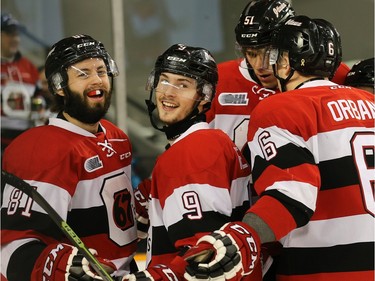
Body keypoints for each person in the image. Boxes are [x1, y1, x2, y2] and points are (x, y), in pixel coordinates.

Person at [183, 15, 374, 281]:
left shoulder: (282, 107)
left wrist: (241, 237)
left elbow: (291, 195)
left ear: (285, 62)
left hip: (321, 269)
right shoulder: (369, 103)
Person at [1, 34, 139, 280]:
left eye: (101, 70)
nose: (97, 80)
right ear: (59, 86)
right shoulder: (42, 149)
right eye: (83, 73)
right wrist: (58, 268)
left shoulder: (117, 138)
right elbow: (12, 246)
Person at [123, 43, 253, 281]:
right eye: (164, 80)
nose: (168, 93)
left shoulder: (192, 150)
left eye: (183, 85)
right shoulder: (207, 142)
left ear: (204, 97)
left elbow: (208, 260)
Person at [206, 0, 349, 155]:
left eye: (270, 53)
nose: (260, 65)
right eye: (251, 54)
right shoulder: (219, 79)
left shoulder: (331, 75)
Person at [1, 12, 39, 153]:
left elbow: (40, 97)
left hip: (25, 139)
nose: (15, 39)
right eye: (10, 34)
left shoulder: (29, 66)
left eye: (17, 34)